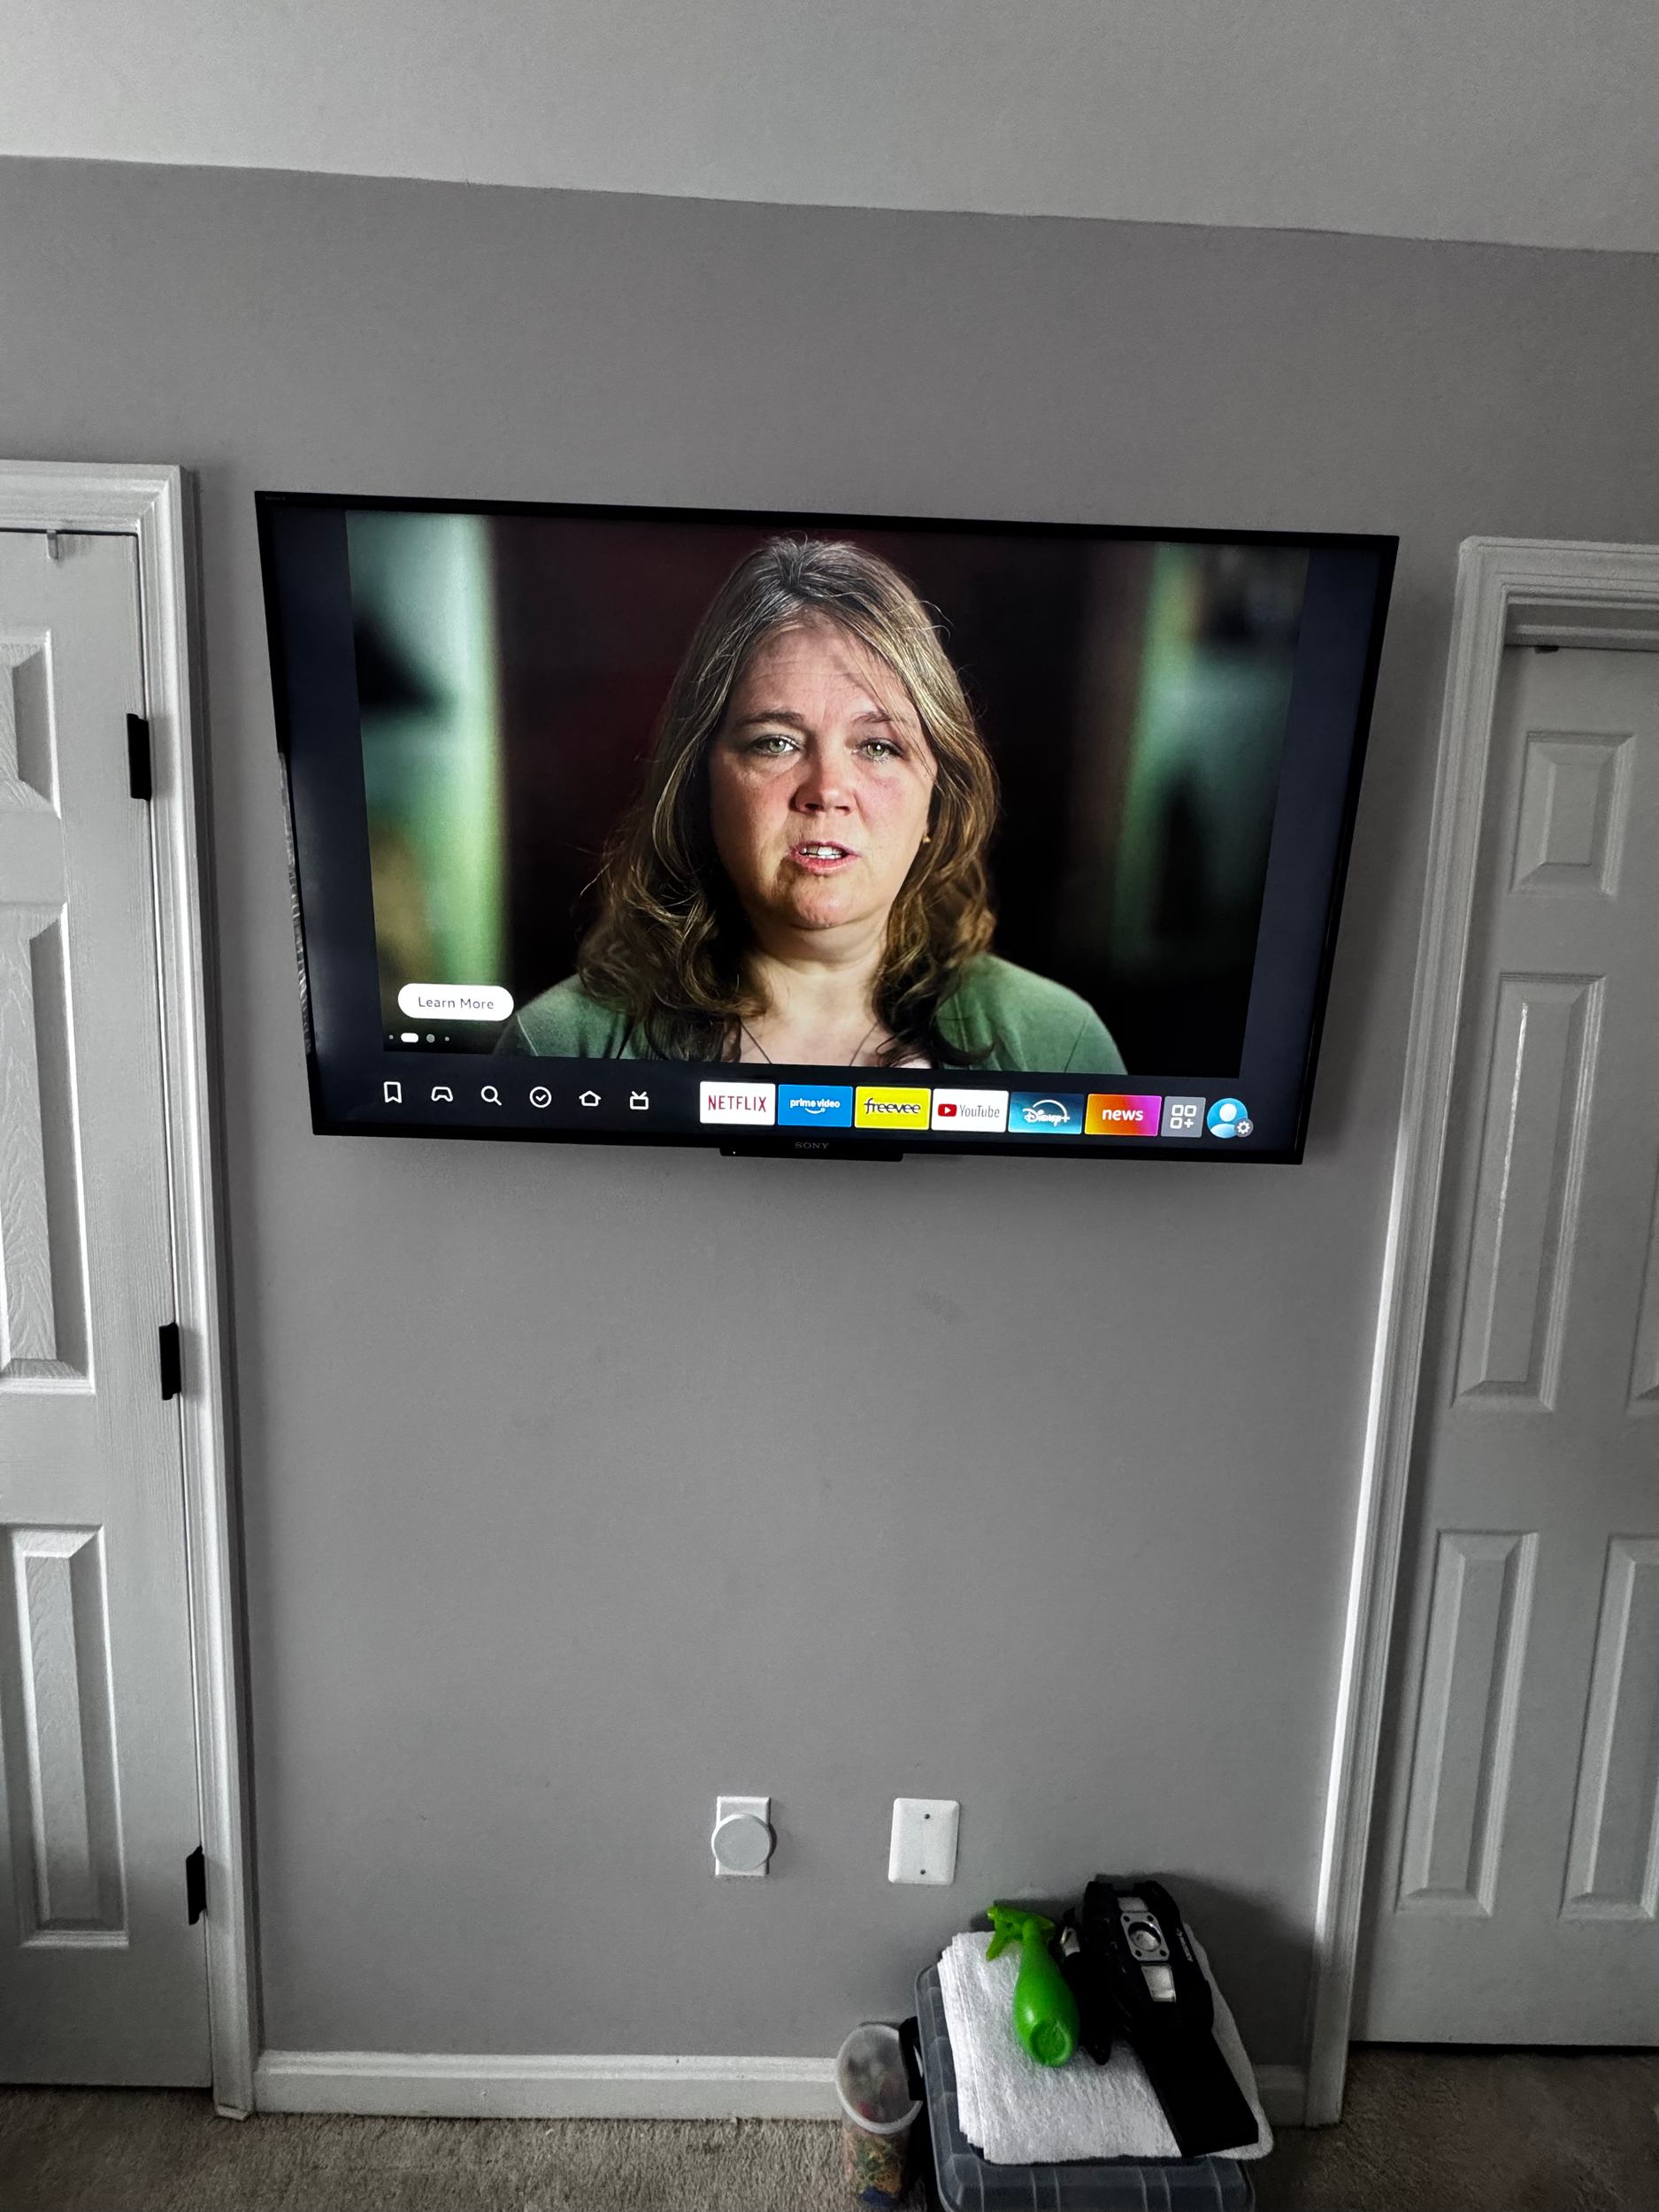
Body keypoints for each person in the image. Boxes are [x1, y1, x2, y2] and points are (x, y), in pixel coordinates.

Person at [499, 538, 1123, 1072]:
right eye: (775, 742)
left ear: (936, 800)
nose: (826, 789)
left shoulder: (1056, 1043)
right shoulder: (559, 1045)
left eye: (877, 746)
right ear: (699, 781)